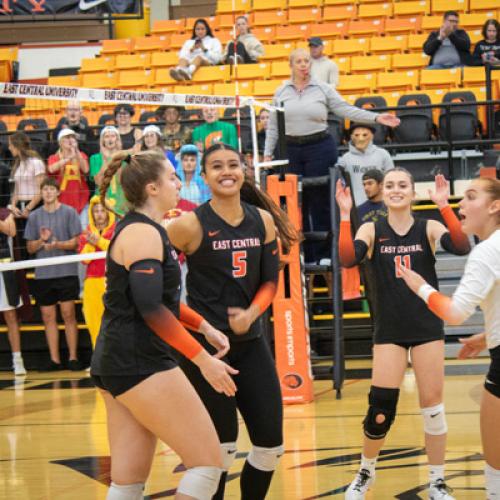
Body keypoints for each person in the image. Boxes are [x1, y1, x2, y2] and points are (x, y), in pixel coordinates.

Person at [90, 149, 239, 499]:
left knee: (127, 482)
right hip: (139, 360)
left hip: (117, 361)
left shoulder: (149, 230)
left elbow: (162, 301)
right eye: (172, 177)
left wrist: (203, 326)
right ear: (153, 187)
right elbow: (150, 308)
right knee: (207, 464)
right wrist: (204, 361)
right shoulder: (142, 234)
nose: (178, 183)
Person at [167, 143, 300, 500]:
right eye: (217, 167)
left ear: (244, 171)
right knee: (220, 453)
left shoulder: (264, 221)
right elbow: (160, 290)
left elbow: (270, 282)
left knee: (270, 447)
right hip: (207, 352)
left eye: (233, 165)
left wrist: (251, 314)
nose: (226, 172)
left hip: (251, 344)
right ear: (205, 177)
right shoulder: (189, 225)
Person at [336, 170, 471, 500]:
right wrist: (344, 216)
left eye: (402, 186)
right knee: (380, 408)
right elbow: (346, 258)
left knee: (433, 408)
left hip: (426, 328)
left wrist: (443, 206)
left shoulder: (427, 226)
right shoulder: (371, 228)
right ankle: (366, 472)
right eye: (390, 186)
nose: (396, 190)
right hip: (389, 330)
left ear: (412, 192)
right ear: (383, 192)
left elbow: (462, 245)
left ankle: (437, 481)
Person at [399, 177, 500, 500]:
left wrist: (420, 287)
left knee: (496, 464)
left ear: (495, 206)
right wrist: (487, 336)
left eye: (471, 197)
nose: (461, 204)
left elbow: (455, 313)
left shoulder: (486, 251)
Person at [264, 48, 399, 262]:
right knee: (295, 202)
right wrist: (267, 154)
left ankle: (324, 255)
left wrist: (376, 118)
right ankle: (301, 255)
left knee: (321, 201)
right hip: (289, 149)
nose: (303, 65)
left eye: (306, 61)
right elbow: (273, 126)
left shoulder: (323, 89)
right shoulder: (281, 92)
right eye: (298, 61)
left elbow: (346, 109)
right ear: (291, 65)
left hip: (319, 146)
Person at [24, 177, 82, 371]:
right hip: (44, 274)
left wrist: (57, 244)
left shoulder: (69, 212)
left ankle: (73, 358)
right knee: (48, 316)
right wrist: (42, 241)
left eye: (51, 189)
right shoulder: (34, 216)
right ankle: (54, 359)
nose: (48, 192)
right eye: (45, 189)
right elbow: (30, 248)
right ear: (41, 193)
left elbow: (76, 242)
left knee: (68, 314)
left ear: (58, 192)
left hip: (66, 271)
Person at [78, 196, 115, 348]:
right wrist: (92, 244)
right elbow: (84, 260)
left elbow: (114, 248)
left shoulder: (117, 230)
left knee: (114, 320)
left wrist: (98, 241)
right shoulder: (86, 233)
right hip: (92, 281)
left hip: (112, 280)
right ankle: (98, 357)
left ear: (109, 212)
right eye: (96, 211)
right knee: (93, 320)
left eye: (102, 210)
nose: (99, 214)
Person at [8, 131, 46, 260]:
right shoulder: (17, 164)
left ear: (17, 145)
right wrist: (13, 206)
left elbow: (41, 190)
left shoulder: (36, 162)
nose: (9, 148)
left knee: (34, 242)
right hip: (20, 209)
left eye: (10, 145)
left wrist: (28, 208)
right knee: (22, 246)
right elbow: (16, 190)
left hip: (34, 207)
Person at [338, 123, 394, 207]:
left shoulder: (383, 154)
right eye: (356, 135)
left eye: (365, 135)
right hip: (356, 208)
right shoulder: (345, 159)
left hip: (382, 205)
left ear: (372, 136)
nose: (360, 138)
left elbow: (391, 179)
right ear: (351, 137)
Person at [0, 203, 26, 376]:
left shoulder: (5, 212)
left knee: (11, 315)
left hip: (4, 267)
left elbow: (11, 231)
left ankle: (17, 360)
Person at [47, 128, 90, 228]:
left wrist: (76, 151)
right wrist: (67, 158)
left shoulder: (81, 155)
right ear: (60, 142)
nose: (70, 140)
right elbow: (51, 169)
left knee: (82, 233)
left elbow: (86, 169)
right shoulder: (54, 157)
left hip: (81, 201)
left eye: (72, 137)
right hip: (61, 203)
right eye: (67, 137)